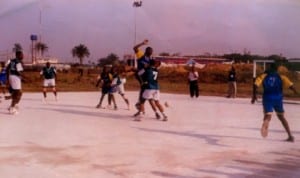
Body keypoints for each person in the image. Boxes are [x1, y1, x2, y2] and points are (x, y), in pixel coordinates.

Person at [251, 63, 298, 142]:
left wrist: (254, 96)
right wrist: (296, 92)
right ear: (276, 69)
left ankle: (266, 122)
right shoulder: (281, 76)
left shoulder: (264, 75)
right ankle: (290, 135)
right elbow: (290, 85)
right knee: (282, 117)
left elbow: (255, 85)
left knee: (268, 115)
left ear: (270, 68)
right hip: (278, 98)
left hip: (268, 97)